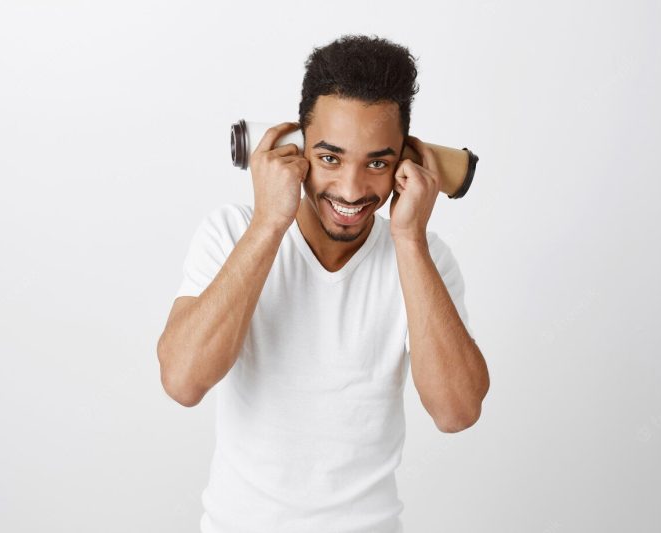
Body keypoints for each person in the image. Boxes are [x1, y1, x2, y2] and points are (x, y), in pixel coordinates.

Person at [157, 34, 490, 533]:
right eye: (330, 158)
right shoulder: (229, 233)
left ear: (404, 161)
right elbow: (183, 381)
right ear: (297, 148)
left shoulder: (423, 256)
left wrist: (409, 240)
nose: (353, 190)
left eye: (377, 162)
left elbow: (457, 411)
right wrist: (270, 223)